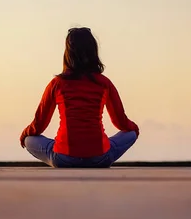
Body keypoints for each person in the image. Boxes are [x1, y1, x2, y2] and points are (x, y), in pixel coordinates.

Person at [20, 27, 139, 168]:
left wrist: (25, 134)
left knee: (29, 139)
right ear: (94, 51)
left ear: (68, 53)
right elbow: (121, 122)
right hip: (100, 158)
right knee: (130, 134)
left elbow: (39, 125)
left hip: (64, 159)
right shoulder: (104, 83)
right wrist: (135, 129)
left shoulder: (57, 84)